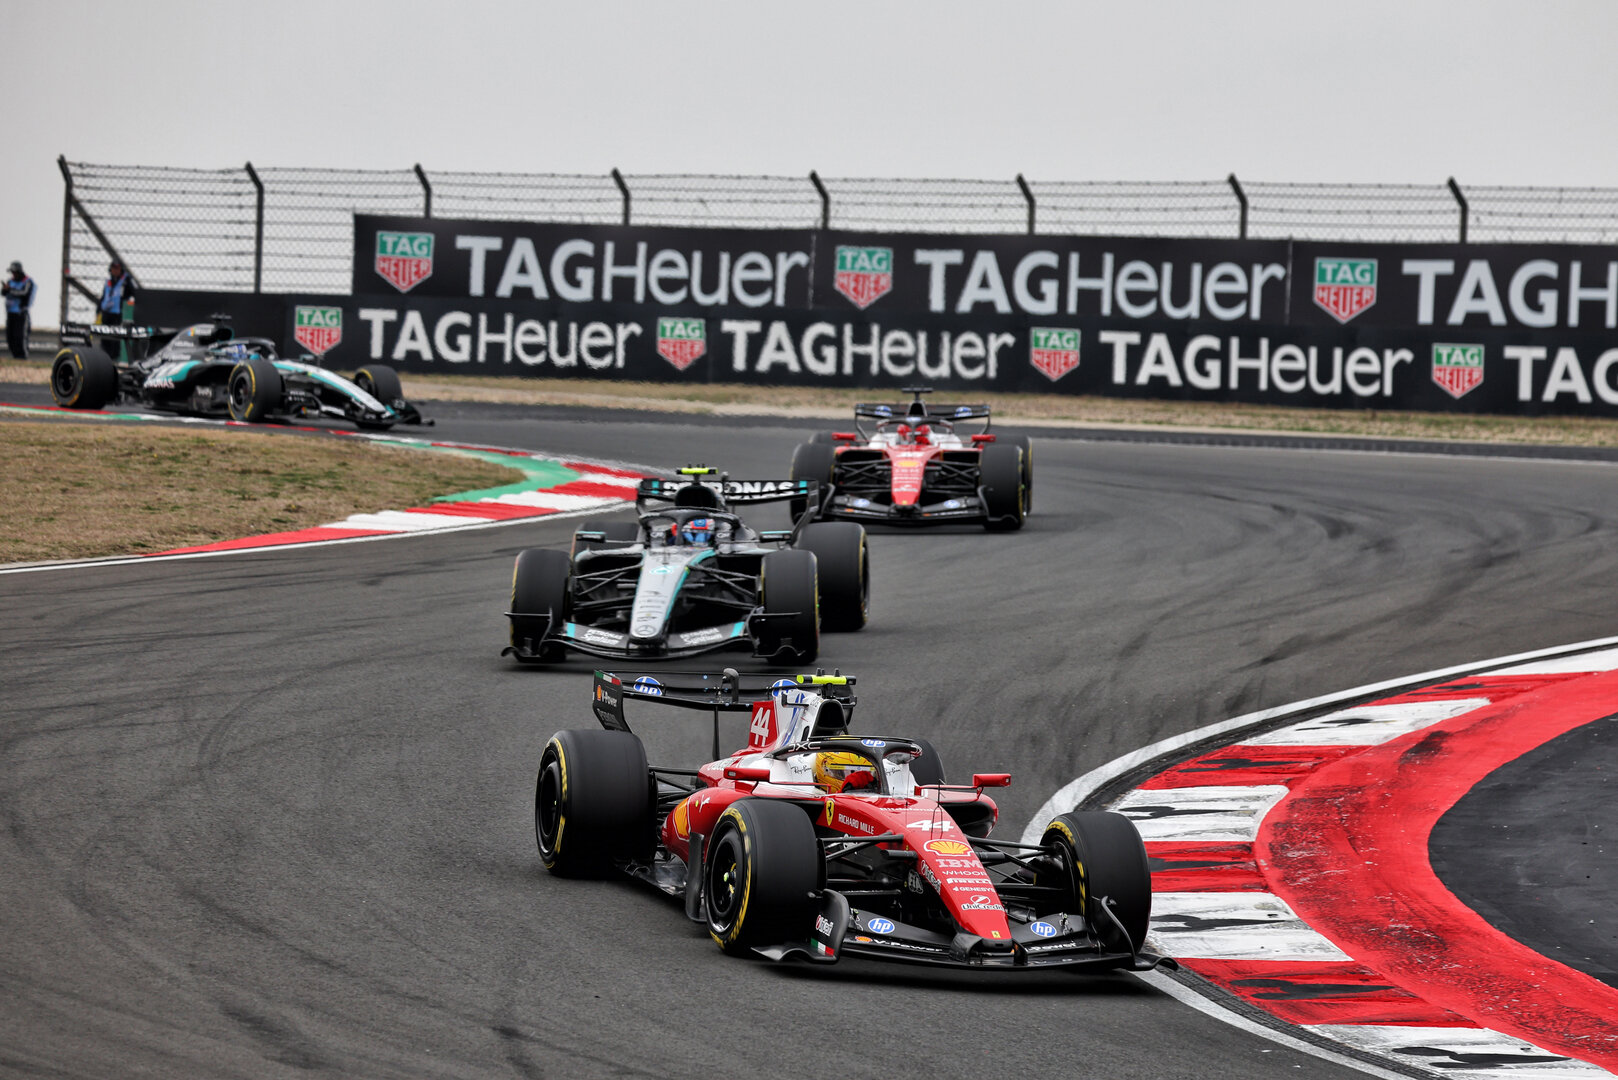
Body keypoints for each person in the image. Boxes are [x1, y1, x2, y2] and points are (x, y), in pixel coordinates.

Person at [98, 259, 137, 359]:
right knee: (104, 337)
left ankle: (114, 357)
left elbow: (133, 293)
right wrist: (98, 310)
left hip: (118, 314)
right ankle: (104, 356)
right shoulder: (108, 282)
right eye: (113, 268)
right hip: (106, 314)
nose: (115, 270)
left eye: (117, 268)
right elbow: (103, 296)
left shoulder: (126, 281)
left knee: (115, 337)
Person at [3, 261, 34, 359]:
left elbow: (24, 293)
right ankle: (16, 357)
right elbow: (3, 293)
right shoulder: (10, 281)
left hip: (20, 314)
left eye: (15, 272)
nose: (13, 274)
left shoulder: (27, 281)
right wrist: (5, 289)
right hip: (10, 314)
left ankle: (22, 358)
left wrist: (10, 290)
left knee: (19, 337)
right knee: (10, 338)